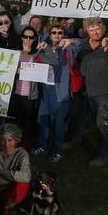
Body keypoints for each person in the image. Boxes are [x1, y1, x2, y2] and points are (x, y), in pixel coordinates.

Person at [63, 18, 108, 166]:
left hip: (102, 93)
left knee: (102, 123)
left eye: (98, 28)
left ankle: (104, 155)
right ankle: (73, 139)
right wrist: (69, 41)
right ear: (87, 32)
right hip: (82, 90)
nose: (96, 32)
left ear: (104, 28)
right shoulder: (83, 44)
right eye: (92, 29)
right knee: (77, 117)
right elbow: (74, 42)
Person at [32, 24, 79, 163]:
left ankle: (58, 150)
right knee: (42, 119)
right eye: (54, 32)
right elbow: (35, 61)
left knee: (58, 123)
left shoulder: (69, 49)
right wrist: (41, 50)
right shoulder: (44, 47)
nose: (57, 35)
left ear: (64, 34)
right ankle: (43, 145)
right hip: (45, 89)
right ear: (50, 34)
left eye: (60, 32)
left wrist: (72, 40)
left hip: (61, 91)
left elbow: (56, 61)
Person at [0, 123, 31, 215]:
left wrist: (3, 172)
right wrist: (12, 178)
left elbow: (26, 176)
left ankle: (7, 208)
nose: (6, 144)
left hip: (10, 187)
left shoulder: (22, 154)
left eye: (10, 140)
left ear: (16, 140)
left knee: (23, 184)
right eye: (3, 140)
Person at [8, 27, 39, 141]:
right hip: (15, 93)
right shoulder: (15, 52)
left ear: (35, 39)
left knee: (26, 121)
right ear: (21, 37)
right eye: (25, 36)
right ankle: (11, 143)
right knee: (13, 120)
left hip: (29, 94)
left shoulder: (37, 54)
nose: (28, 39)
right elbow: (7, 70)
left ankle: (23, 145)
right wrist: (16, 71)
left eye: (31, 37)